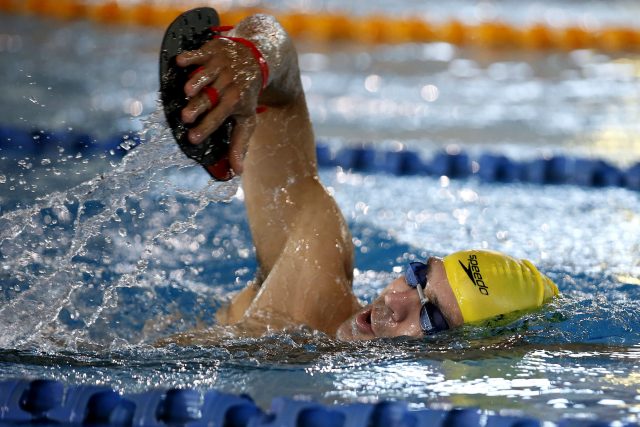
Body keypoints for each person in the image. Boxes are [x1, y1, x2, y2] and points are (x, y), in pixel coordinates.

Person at [170, 13, 559, 342]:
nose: (395, 301)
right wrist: (251, 60)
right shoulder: (311, 270)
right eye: (417, 278)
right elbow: (281, 72)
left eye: (431, 317)